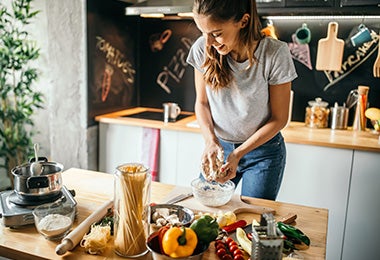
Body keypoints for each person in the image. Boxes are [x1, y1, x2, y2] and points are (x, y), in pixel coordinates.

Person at [186, 0, 297, 200]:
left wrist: (239, 154)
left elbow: (279, 118)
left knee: (252, 220)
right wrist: (210, 142)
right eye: (203, 33)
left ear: (243, 21)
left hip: (263, 153)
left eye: (216, 33)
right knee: (205, 212)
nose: (208, 42)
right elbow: (202, 103)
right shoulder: (202, 49)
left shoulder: (275, 53)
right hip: (219, 149)